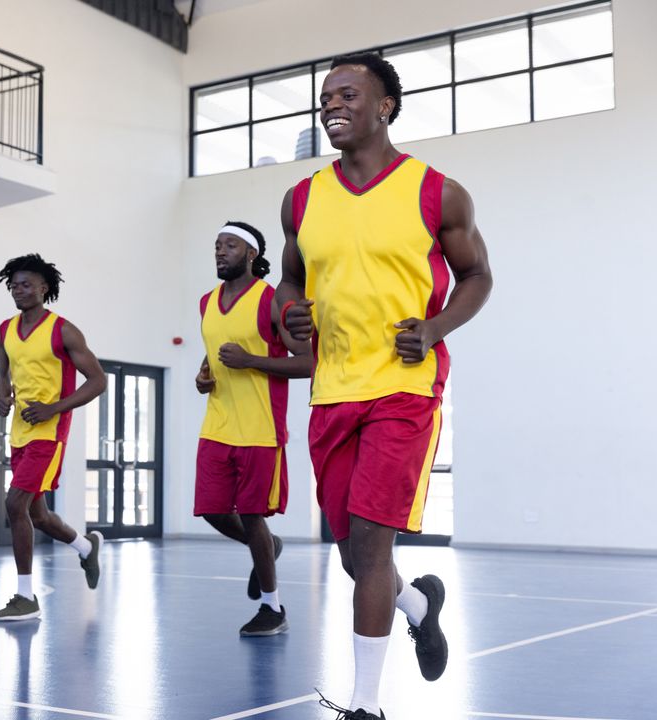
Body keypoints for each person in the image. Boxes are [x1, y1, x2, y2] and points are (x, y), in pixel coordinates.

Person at [275, 53, 493, 719]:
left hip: (404, 389)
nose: (333, 104)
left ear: (385, 106)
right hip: (333, 390)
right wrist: (290, 316)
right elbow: (289, 281)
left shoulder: (438, 192)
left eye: (348, 94)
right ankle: (418, 604)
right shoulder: (302, 199)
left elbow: (477, 276)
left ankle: (365, 705)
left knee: (371, 546)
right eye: (326, 97)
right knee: (350, 554)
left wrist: (432, 329)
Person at [194, 221, 311, 637]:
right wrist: (201, 378)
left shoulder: (271, 300)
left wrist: (253, 361)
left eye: (230, 245)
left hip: (260, 430)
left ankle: (272, 607)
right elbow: (209, 361)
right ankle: (267, 548)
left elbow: (310, 362)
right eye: (217, 245)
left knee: (252, 515)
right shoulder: (206, 303)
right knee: (210, 510)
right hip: (217, 426)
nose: (220, 251)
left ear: (251, 254)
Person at [0, 254, 108, 622]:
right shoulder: (5, 329)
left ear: (44, 288)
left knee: (15, 505)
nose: (19, 290)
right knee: (37, 515)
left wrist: (53, 408)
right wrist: (1, 392)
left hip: (49, 433)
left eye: (26, 284)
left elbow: (98, 381)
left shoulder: (64, 330)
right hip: (20, 432)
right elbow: (2, 369)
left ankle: (26, 598)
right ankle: (85, 546)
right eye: (14, 285)